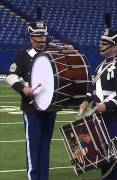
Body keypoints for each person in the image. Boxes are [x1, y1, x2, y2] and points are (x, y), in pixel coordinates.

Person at [5, 8, 73, 180]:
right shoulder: (23, 56)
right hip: (31, 107)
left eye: (43, 36)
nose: (41, 40)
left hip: (50, 108)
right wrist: (23, 89)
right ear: (31, 37)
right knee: (33, 148)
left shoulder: (52, 55)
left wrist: (66, 49)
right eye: (38, 37)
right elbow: (11, 76)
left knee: (45, 148)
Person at [79, 14, 117, 180]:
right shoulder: (101, 65)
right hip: (100, 118)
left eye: (104, 43)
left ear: (115, 47)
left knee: (114, 156)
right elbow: (93, 88)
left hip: (116, 118)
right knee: (102, 156)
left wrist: (106, 106)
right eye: (101, 42)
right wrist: (86, 100)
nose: (100, 45)